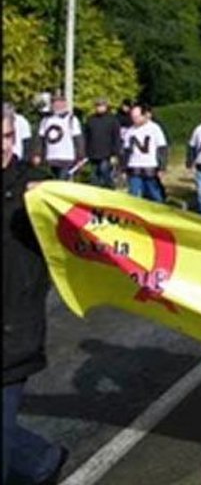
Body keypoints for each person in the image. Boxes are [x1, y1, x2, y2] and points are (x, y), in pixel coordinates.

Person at [3, 110, 70, 485]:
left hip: (13, 330)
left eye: (8, 136)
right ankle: (39, 461)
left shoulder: (35, 186)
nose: (2, 146)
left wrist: (48, 206)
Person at [32, 93, 84, 181]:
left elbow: (78, 139)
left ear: (65, 104)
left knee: (61, 182)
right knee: (52, 182)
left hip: (67, 158)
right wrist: (37, 154)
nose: (58, 105)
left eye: (60, 102)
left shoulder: (72, 119)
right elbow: (40, 139)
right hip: (50, 158)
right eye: (55, 102)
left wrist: (80, 157)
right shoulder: (46, 120)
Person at [123, 103, 168, 203]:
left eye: (137, 117)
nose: (135, 120)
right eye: (133, 117)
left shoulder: (154, 128)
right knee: (133, 195)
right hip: (134, 167)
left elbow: (162, 148)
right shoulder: (130, 131)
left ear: (144, 115)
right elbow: (126, 151)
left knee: (154, 194)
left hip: (150, 166)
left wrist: (162, 167)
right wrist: (124, 168)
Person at [84, 97, 122, 189]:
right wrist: (85, 152)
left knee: (104, 172)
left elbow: (116, 137)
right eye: (97, 105)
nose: (99, 108)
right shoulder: (90, 119)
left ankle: (110, 188)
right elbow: (86, 136)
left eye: (101, 105)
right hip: (92, 153)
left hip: (107, 154)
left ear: (106, 106)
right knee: (94, 178)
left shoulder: (112, 120)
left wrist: (115, 154)